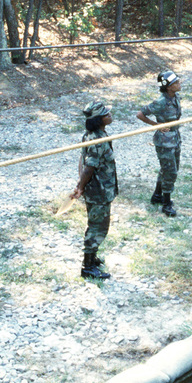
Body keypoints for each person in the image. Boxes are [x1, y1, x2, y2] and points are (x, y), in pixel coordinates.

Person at [70, 101, 117, 280]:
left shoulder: (92, 135)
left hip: (100, 188)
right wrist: (80, 187)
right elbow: (88, 167)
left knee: (97, 224)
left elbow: (82, 160)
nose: (110, 115)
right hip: (99, 190)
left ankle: (92, 257)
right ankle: (87, 266)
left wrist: (80, 184)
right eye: (106, 114)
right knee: (98, 227)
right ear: (98, 120)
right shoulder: (97, 140)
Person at [137, 71, 182, 217]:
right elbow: (140, 114)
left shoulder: (176, 97)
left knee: (168, 168)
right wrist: (156, 125)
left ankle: (157, 195)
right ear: (168, 87)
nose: (179, 83)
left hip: (175, 138)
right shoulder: (160, 102)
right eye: (175, 82)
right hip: (164, 142)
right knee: (170, 172)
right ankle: (166, 204)